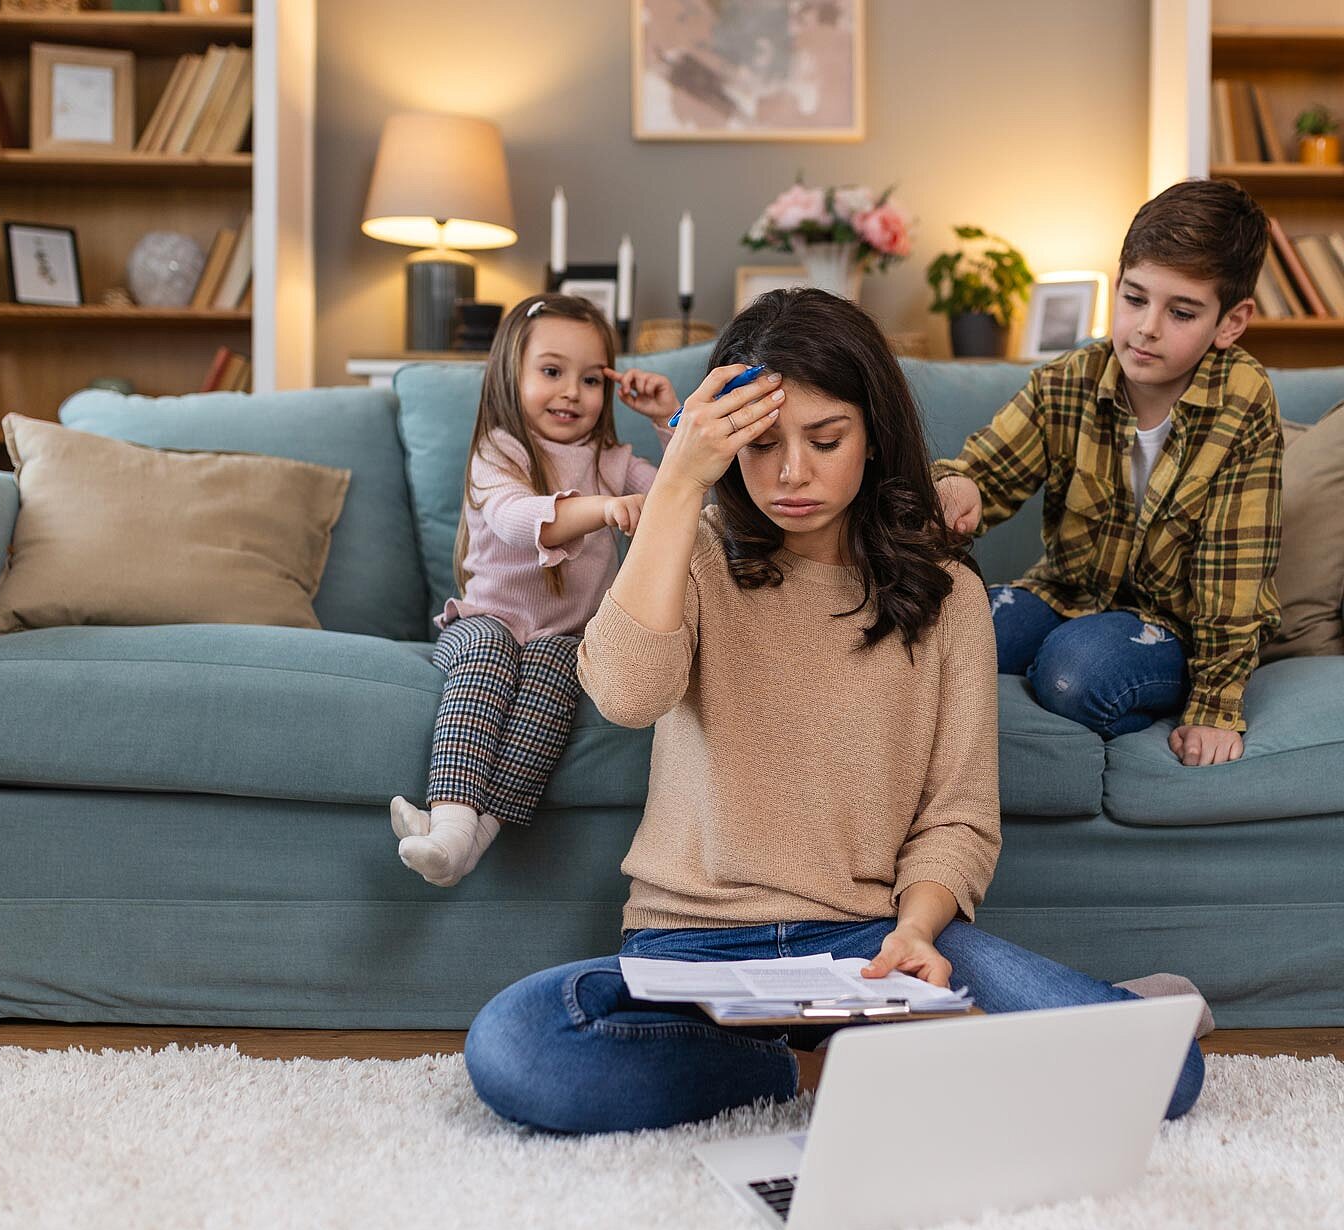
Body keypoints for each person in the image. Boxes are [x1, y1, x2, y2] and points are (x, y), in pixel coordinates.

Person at [460, 289, 1207, 1135]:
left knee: (1166, 1073)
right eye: (761, 444)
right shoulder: (693, 553)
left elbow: (958, 817)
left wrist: (918, 934)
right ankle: (802, 1061)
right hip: (691, 948)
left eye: (826, 440)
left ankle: (947, 1035)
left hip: (869, 946)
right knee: (519, 1048)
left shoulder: (949, 594)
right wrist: (676, 488)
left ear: (873, 436)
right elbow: (628, 695)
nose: (791, 475)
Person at [934, 180, 1283, 766]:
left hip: (1175, 628)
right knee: (944, 625)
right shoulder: (1070, 379)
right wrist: (957, 487)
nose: (1146, 328)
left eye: (1181, 312)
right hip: (1065, 595)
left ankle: (1083, 670)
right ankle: (1060, 651)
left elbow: (1235, 574)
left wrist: (1215, 708)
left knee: (1076, 674)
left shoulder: (1243, 403)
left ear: (1230, 321)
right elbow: (984, 472)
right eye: (1135, 297)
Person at [390, 293, 680, 886]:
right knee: (491, 647)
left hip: (563, 636)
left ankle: (468, 844)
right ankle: (449, 821)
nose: (572, 391)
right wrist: (603, 508)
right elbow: (518, 520)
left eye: (591, 378)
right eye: (552, 372)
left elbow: (684, 497)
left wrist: (669, 419)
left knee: (556, 663)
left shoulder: (614, 460)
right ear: (511, 374)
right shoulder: (500, 451)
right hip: (479, 623)